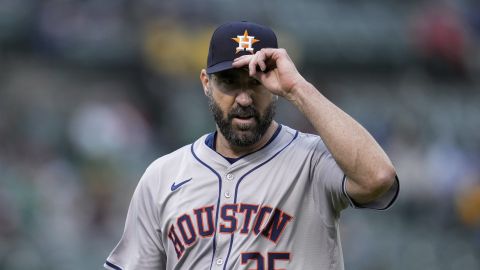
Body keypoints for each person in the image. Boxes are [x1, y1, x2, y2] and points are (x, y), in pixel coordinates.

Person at [104, 21, 399, 270]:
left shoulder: (313, 161)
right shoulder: (163, 175)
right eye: (229, 82)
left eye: (256, 82)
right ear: (206, 82)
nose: (243, 99)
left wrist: (297, 88)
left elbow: (378, 178)